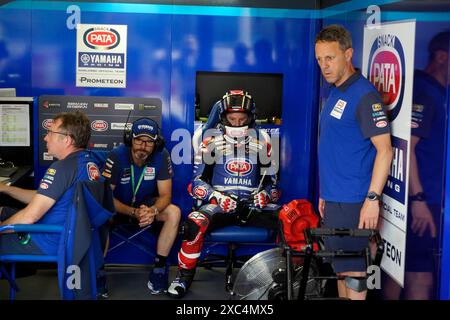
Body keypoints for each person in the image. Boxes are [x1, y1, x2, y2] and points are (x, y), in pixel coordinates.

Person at [168, 89, 280, 299]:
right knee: (195, 221)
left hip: (252, 206)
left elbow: (273, 187)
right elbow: (196, 185)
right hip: (221, 205)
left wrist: (265, 196)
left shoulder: (263, 143)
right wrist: (217, 197)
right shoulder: (211, 143)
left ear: (250, 118)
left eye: (241, 119)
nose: (237, 124)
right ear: (223, 118)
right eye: (232, 119)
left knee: (292, 217)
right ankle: (184, 276)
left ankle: (290, 277)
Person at [315, 25, 393, 300]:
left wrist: (372, 198)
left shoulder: (364, 95)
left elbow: (385, 151)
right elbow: (335, 148)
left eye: (330, 58)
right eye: (320, 59)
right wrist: (325, 192)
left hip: (354, 201)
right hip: (335, 198)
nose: (324, 66)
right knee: (341, 269)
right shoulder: (336, 90)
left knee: (356, 274)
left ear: (348, 54)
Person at [383, 31, 449, 300]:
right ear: (442, 57)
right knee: (419, 276)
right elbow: (406, 146)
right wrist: (419, 199)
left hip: (406, 198)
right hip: (419, 201)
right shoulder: (427, 93)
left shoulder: (425, 88)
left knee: (399, 270)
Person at [0, 111, 102, 259]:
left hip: (50, 238)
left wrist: (2, 228)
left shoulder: (62, 168)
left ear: (66, 140)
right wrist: (7, 189)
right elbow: (43, 197)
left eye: (50, 132)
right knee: (2, 210)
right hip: (71, 235)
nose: (45, 137)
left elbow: (30, 217)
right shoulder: (87, 163)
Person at [101, 118, 181, 295]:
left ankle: (159, 270)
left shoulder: (162, 155)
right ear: (130, 139)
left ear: (156, 143)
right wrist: (132, 211)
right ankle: (98, 272)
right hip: (119, 208)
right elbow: (105, 197)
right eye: (138, 140)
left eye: (149, 142)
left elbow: (166, 195)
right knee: (100, 212)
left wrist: (152, 211)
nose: (143, 146)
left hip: (147, 209)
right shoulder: (117, 154)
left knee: (174, 212)